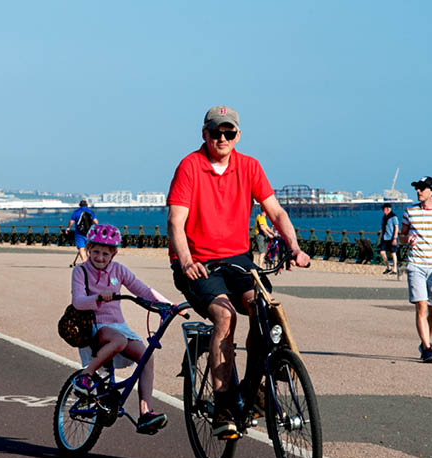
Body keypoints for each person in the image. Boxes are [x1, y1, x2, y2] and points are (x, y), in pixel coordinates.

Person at [167, 105, 310, 439]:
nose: (222, 138)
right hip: (199, 262)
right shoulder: (190, 166)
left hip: (238, 259)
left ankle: (252, 386)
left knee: (265, 311)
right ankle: (224, 404)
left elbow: (275, 211)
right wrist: (187, 261)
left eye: (228, 133)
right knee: (225, 316)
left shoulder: (249, 166)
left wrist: (295, 247)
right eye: (215, 132)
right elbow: (176, 221)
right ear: (204, 133)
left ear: (237, 136)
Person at [70, 224, 172, 434]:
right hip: (94, 327)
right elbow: (78, 302)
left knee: (146, 357)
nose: (100, 257)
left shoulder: (118, 270)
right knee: (119, 341)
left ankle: (145, 413)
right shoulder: (80, 272)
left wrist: (170, 306)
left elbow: (142, 290)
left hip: (118, 327)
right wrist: (97, 298)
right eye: (96, 251)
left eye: (105, 253)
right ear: (88, 248)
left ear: (113, 253)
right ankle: (86, 376)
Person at [399, 176, 432, 364]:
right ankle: (428, 349)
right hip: (416, 264)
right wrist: (407, 240)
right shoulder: (410, 212)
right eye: (417, 188)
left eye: (422, 188)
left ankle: (425, 341)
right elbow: (401, 237)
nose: (418, 191)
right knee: (421, 306)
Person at [67, 200, 98, 266]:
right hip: (89, 233)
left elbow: (71, 222)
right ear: (87, 205)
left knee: (81, 247)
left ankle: (84, 261)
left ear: (79, 205)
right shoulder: (90, 212)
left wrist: (68, 228)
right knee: (87, 247)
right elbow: (96, 222)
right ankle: (90, 262)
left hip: (79, 233)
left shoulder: (76, 212)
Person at [379, 203, 400, 275]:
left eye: (383, 209)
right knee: (382, 252)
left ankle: (395, 269)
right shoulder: (384, 217)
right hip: (385, 237)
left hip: (392, 238)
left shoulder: (394, 217)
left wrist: (394, 238)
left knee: (393, 253)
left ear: (388, 209)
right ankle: (388, 267)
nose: (382, 210)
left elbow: (396, 228)